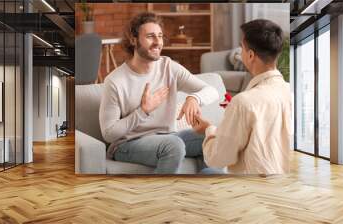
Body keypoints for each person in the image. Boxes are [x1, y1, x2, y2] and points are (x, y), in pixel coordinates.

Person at [99, 12, 219, 174]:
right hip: (127, 145)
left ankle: (210, 188)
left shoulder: (169, 67)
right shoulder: (115, 81)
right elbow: (109, 134)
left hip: (168, 137)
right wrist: (143, 111)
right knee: (173, 146)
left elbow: (212, 91)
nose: (157, 42)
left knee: (212, 136)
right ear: (133, 40)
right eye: (150, 36)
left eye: (160, 36)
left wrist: (194, 98)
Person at [193, 19, 292, 175]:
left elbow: (218, 159)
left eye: (242, 48)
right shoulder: (289, 91)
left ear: (251, 55)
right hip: (285, 185)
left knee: (206, 172)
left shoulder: (244, 102)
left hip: (251, 190)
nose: (241, 52)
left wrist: (208, 129)